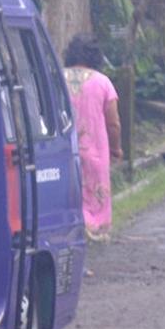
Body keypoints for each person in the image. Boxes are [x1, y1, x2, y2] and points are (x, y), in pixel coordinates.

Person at [63, 35, 122, 243]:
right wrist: (116, 149)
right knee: (93, 197)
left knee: (68, 196)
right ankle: (91, 234)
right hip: (95, 153)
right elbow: (113, 122)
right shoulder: (102, 82)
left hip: (63, 152)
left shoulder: (57, 78)